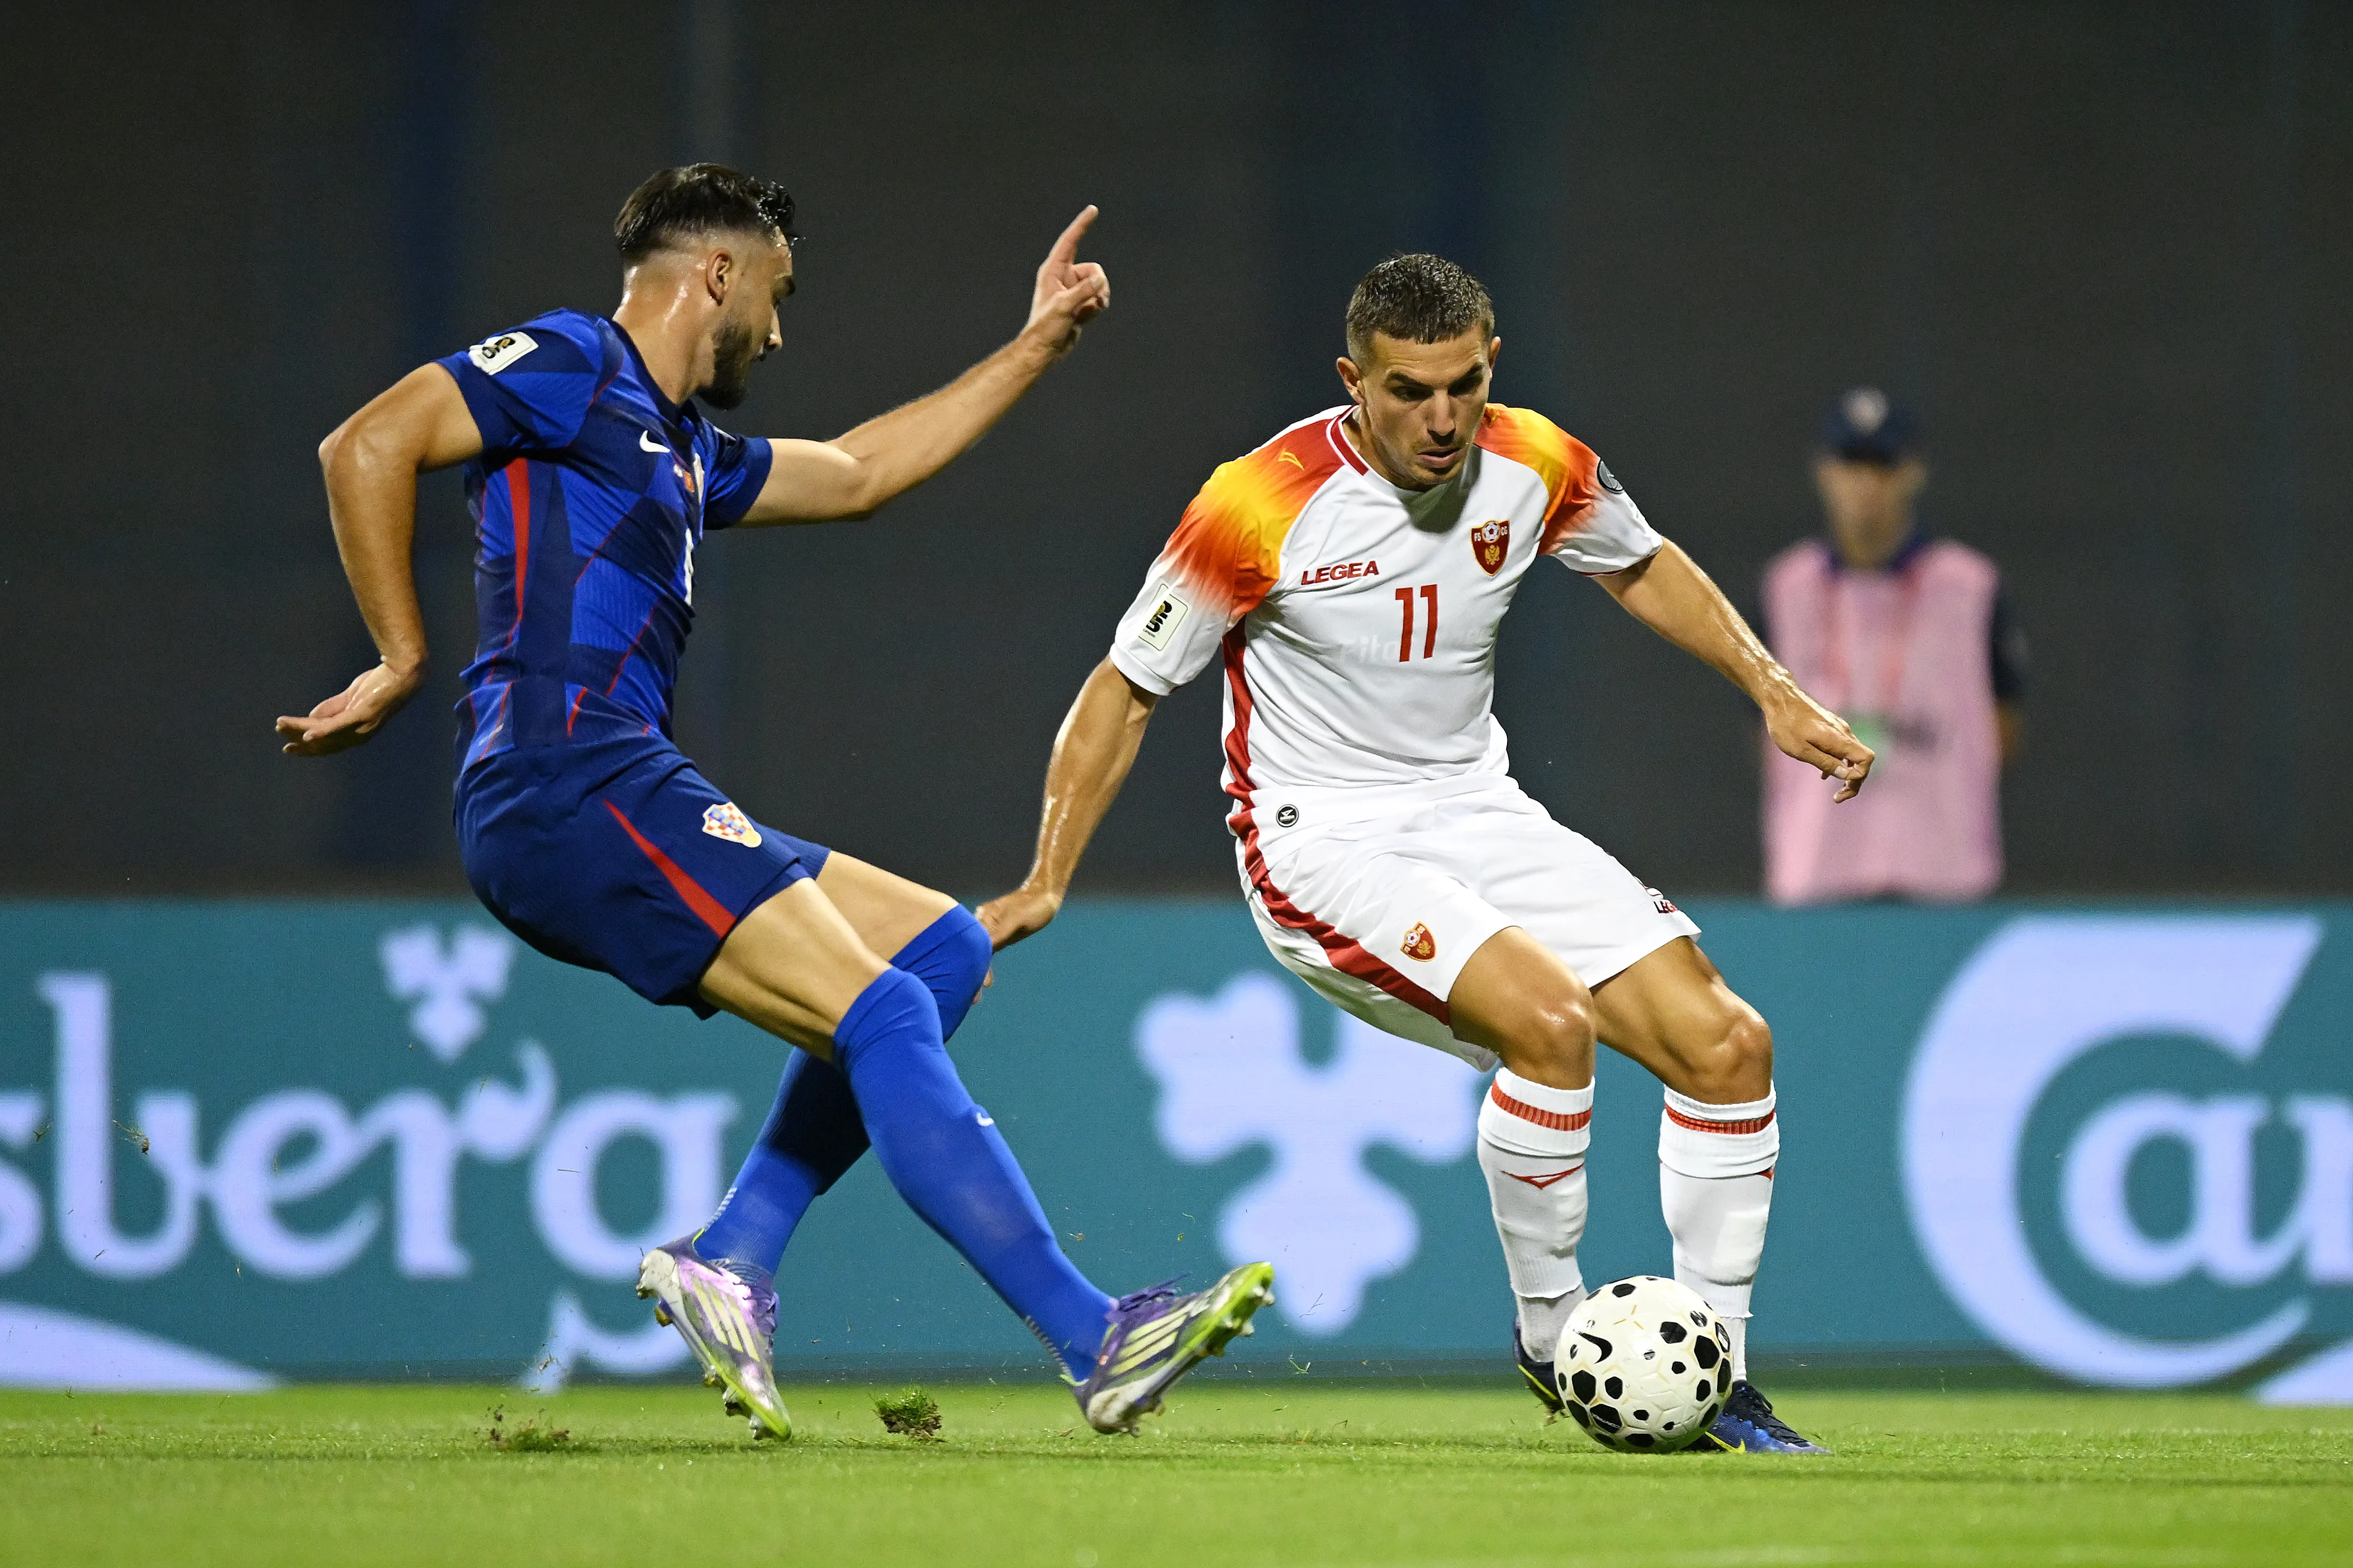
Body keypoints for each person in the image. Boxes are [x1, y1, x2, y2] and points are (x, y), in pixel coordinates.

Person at [276, 164, 1271, 1440]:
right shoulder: (573, 362)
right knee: (881, 1009)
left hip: (610, 782)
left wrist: (1036, 343)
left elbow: (858, 470)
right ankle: (1094, 1335)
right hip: (569, 779)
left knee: (941, 947)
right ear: (718, 274)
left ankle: (735, 1250)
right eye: (779, 295)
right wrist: (401, 656)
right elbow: (366, 441)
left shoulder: (679, 446)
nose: (782, 331)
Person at [980, 254, 1872, 1454]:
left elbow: (1641, 560)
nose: (1441, 418)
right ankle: (1554, 1339)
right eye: (1408, 391)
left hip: (1475, 807)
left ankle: (1713, 1376)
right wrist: (1047, 872)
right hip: (1319, 839)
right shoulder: (1259, 503)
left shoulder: (1536, 460)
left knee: (1727, 1045)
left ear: (1489, 362)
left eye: (1461, 385)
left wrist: (1770, 690)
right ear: (1353, 380)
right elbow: (1125, 688)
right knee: (1549, 1024)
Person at [1759, 388, 2027, 905]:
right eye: (1851, 463)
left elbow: (2005, 727)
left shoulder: (1970, 586)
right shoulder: (1784, 588)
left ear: (1914, 471)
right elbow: (1759, 724)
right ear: (1823, 470)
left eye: (1883, 465)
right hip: (1817, 875)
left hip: (1943, 878)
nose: (1866, 484)